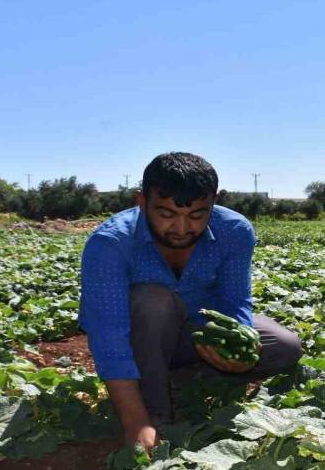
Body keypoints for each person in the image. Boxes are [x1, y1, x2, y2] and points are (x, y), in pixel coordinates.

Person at [78, 152, 303, 451]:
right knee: (152, 299)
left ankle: (186, 376)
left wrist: (242, 348)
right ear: (141, 201)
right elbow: (109, 335)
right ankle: (156, 413)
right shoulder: (110, 243)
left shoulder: (234, 231)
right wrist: (135, 422)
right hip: (140, 339)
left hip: (196, 335)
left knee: (284, 347)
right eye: (167, 214)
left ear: (214, 202)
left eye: (197, 215)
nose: (182, 228)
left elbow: (235, 301)